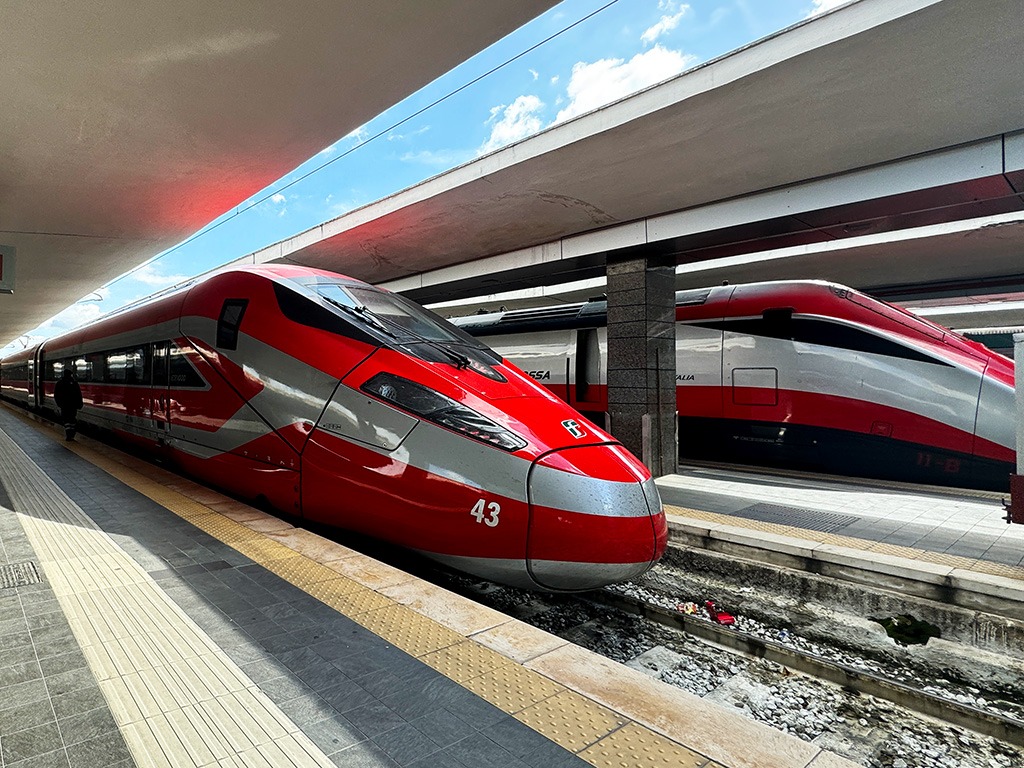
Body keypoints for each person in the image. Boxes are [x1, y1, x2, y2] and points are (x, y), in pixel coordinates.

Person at [53, 368, 83, 441]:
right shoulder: (74, 383)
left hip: (64, 406)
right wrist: (80, 404)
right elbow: (79, 394)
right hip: (73, 406)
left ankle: (68, 435)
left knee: (66, 420)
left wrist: (59, 404)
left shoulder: (59, 383)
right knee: (72, 420)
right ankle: (72, 435)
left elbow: (56, 395)